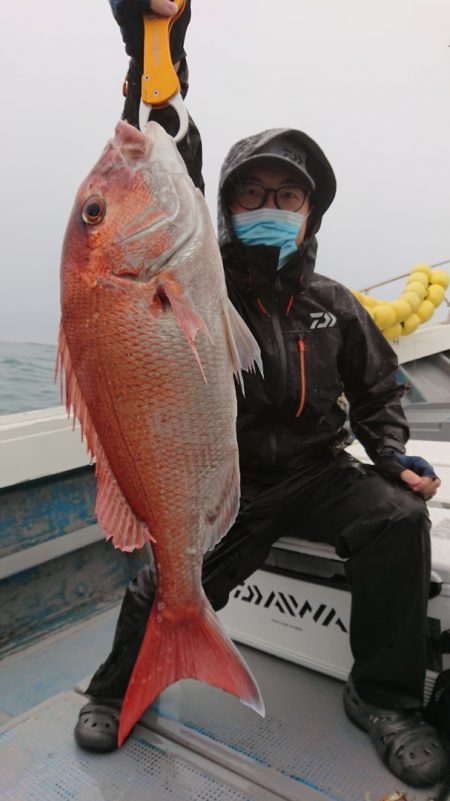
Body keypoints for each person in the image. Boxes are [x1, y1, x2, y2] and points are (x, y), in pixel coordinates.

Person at [75, 0, 448, 789]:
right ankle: (115, 688)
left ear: (310, 213)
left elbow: (379, 389)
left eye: (288, 196)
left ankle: (385, 699)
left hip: (317, 469)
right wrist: (155, 47)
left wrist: (392, 454)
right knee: (161, 579)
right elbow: (166, 152)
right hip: (230, 478)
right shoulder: (202, 279)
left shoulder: (337, 304)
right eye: (254, 196)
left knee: (398, 519)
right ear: (227, 210)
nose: (271, 208)